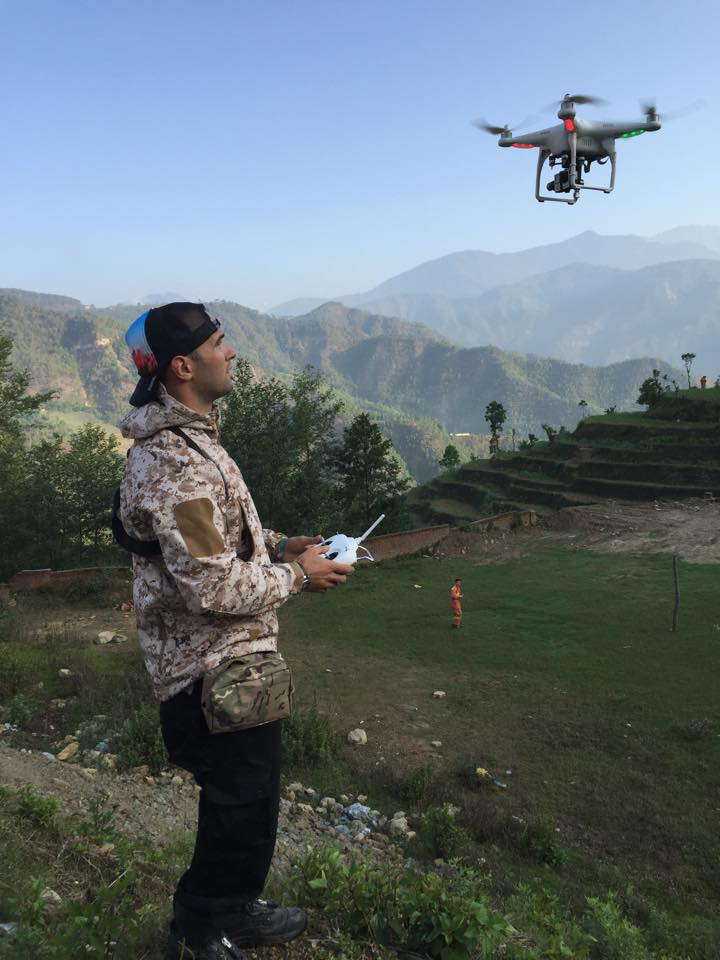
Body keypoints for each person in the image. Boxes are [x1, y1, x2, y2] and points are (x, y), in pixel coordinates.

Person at [117, 302, 354, 960]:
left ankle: (234, 912)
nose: (232, 353)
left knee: (251, 802)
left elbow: (212, 540)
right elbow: (213, 585)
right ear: (183, 366)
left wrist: (279, 544)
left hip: (232, 665)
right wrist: (298, 574)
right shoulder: (175, 465)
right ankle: (200, 932)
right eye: (220, 343)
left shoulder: (194, 443)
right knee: (236, 805)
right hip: (206, 672)